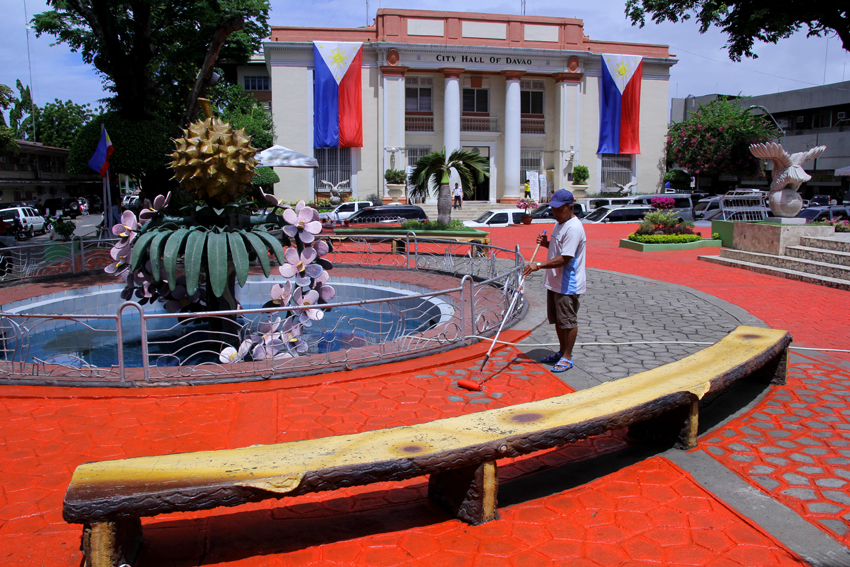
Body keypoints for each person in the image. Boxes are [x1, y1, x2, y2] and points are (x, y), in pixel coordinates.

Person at [522, 189, 586, 373]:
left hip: (568, 283)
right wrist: (546, 244)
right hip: (555, 281)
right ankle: (561, 352)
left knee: (568, 321)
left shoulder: (573, 227)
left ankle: (567, 356)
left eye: (559, 209)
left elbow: (566, 258)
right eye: (553, 209)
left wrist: (538, 265)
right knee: (558, 320)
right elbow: (560, 249)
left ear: (570, 207)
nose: (555, 213)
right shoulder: (560, 223)